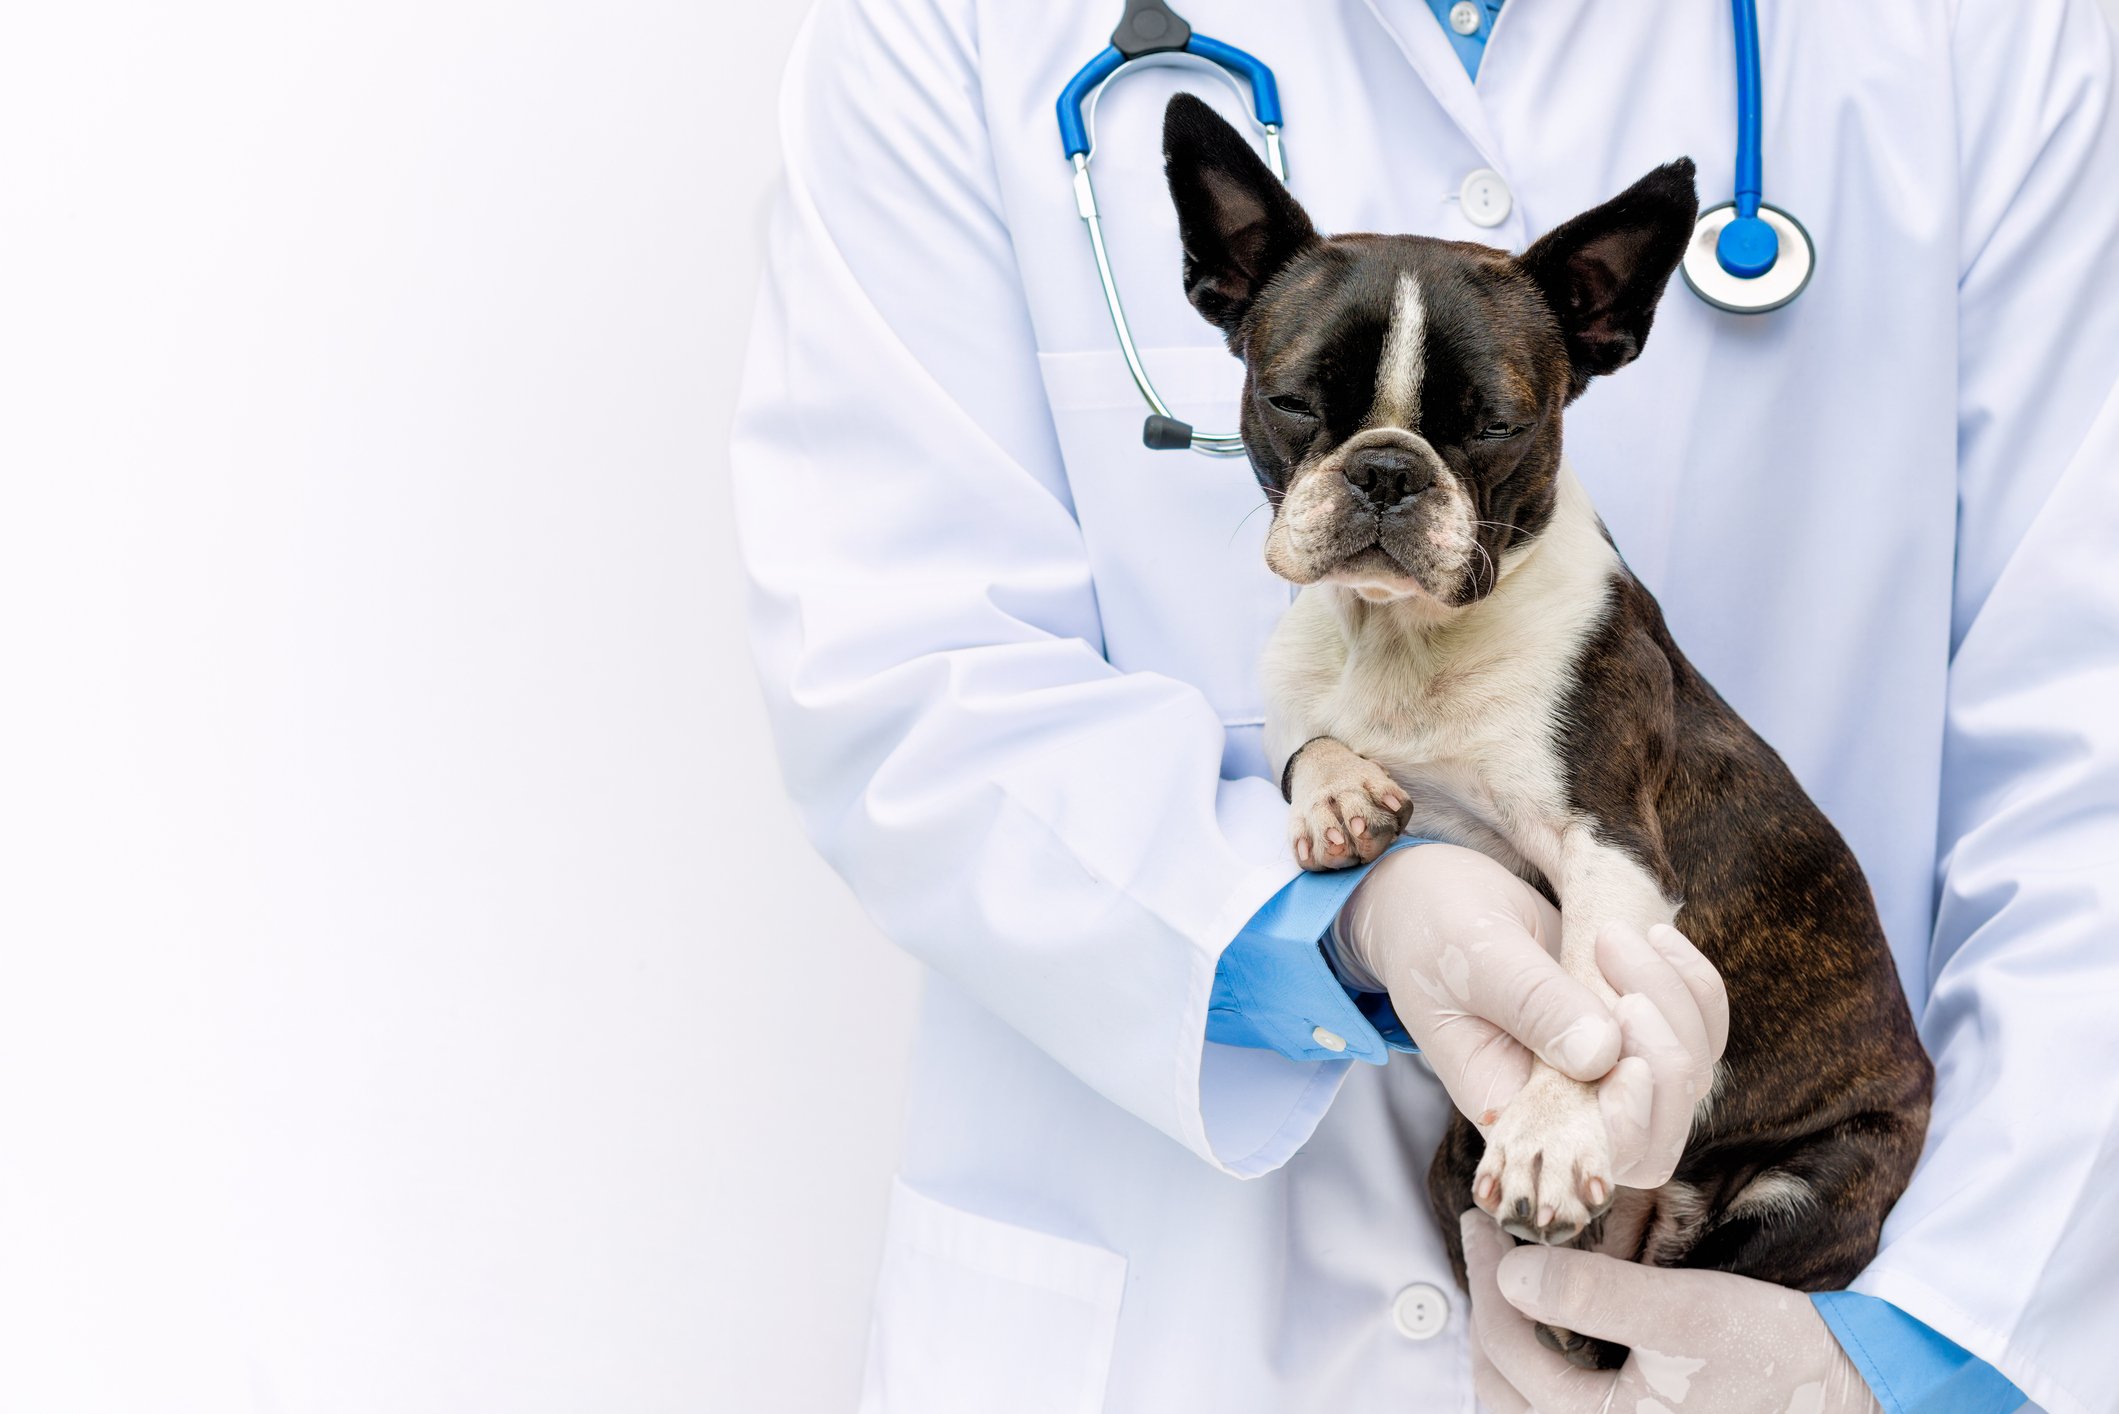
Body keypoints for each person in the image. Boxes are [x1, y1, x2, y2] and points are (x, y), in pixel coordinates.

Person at [730, 1, 2119, 1410]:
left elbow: (2096, 751)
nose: (1383, 480)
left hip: (1793, 1221)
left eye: (1476, 428)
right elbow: (896, 666)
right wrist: (1337, 921)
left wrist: (1917, 1359)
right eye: (1310, 414)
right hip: (1173, 1323)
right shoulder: (947, 32)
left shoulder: (1993, 35)